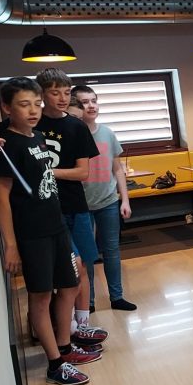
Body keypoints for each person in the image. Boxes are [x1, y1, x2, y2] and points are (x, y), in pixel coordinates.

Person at [0, 77, 99, 385]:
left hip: (57, 227)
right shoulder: (7, 144)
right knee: (40, 298)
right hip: (32, 234)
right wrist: (11, 245)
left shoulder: (38, 137)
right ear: (6, 108)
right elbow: (0, 196)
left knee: (70, 284)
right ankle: (55, 364)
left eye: (36, 104)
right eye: (24, 105)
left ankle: (65, 346)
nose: (33, 110)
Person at [72, 85, 137, 312]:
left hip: (108, 201)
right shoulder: (72, 134)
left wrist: (125, 200)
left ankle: (117, 297)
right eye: (84, 102)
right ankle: (87, 302)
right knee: (86, 255)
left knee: (112, 251)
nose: (91, 106)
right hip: (81, 205)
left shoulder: (107, 133)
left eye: (93, 100)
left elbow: (117, 169)